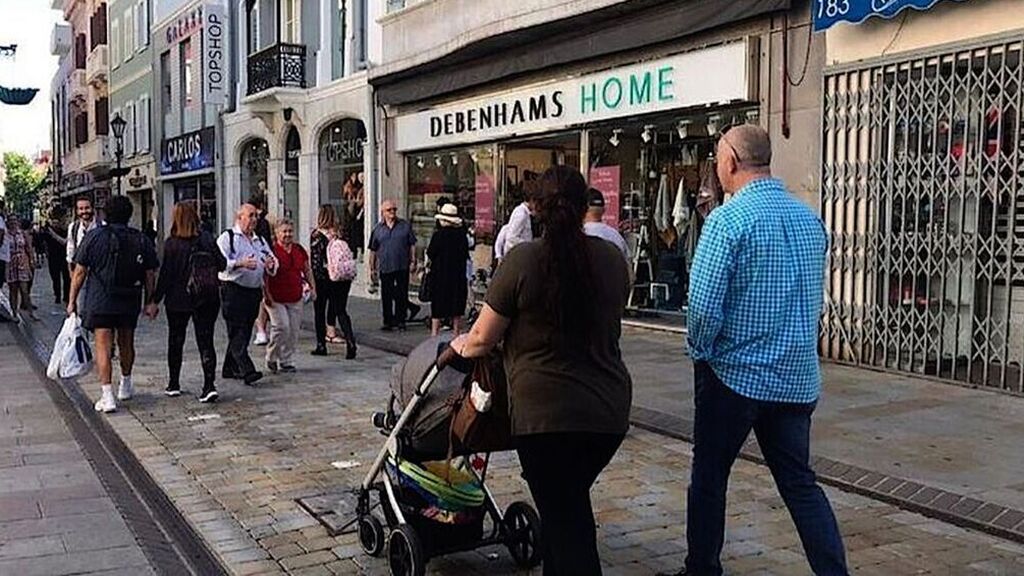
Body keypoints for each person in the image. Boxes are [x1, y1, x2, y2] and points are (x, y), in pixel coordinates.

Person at [657, 125, 847, 576]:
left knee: (709, 479)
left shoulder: (726, 221)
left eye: (718, 159)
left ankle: (702, 568)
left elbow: (703, 309)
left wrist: (700, 352)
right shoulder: (809, 219)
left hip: (734, 376)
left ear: (731, 162)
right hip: (795, 377)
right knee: (800, 483)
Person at [443, 165, 632, 576]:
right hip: (606, 412)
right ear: (586, 207)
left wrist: (456, 346)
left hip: (544, 416)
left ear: (536, 209)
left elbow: (481, 338)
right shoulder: (613, 259)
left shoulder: (523, 261)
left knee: (566, 519)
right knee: (569, 506)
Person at [67, 196, 159, 414]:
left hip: (101, 298)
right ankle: (125, 384)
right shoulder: (140, 238)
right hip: (129, 297)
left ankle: (107, 395)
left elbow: (79, 271)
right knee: (126, 341)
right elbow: (150, 273)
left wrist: (72, 301)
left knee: (103, 345)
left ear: (105, 213)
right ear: (129, 214)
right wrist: (150, 300)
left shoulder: (94, 236)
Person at [153, 202, 226, 402]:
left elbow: (165, 275)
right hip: (206, 296)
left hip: (178, 298)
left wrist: (154, 300)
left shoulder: (172, 243)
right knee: (206, 340)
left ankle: (174, 383)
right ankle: (209, 385)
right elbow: (223, 263)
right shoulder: (207, 239)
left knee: (176, 340)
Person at [218, 203, 278, 386]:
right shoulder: (228, 237)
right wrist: (240, 263)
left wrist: (270, 265)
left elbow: (272, 259)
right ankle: (247, 370)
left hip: (253, 291)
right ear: (240, 217)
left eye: (256, 216)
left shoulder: (259, 239)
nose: (254, 220)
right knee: (237, 331)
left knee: (243, 330)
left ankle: (229, 368)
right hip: (233, 289)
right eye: (250, 216)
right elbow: (220, 261)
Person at [264, 218, 314, 373]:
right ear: (277, 234)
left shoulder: (299, 249)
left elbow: (307, 270)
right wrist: (266, 295)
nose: (287, 234)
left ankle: (286, 360)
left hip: (295, 296)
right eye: (284, 231)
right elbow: (265, 275)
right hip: (276, 297)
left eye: (290, 231)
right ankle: (271, 356)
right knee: (281, 326)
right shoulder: (271, 251)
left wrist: (313, 287)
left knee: (293, 330)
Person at [310, 205, 357, 359]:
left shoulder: (317, 236)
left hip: (323, 278)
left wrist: (313, 281)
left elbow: (316, 261)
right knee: (341, 310)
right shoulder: (341, 233)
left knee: (319, 311)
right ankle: (350, 341)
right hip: (341, 278)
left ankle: (321, 344)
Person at [368, 199, 419, 331]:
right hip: (385, 266)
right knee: (387, 295)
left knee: (402, 294)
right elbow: (373, 250)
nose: (392, 212)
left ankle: (400, 320)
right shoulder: (378, 229)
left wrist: (413, 261)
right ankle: (388, 321)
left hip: (402, 265)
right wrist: (372, 268)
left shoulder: (404, 226)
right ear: (383, 212)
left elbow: (412, 244)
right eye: (389, 210)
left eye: (394, 210)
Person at [426, 204, 470, 336]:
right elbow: (465, 254)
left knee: (438, 307)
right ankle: (456, 333)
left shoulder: (438, 236)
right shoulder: (462, 236)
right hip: (457, 276)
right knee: (456, 307)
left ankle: (434, 334)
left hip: (440, 276)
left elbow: (431, 253)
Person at [249, 193, 274, 346]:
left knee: (262, 298)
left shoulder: (261, 223)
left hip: (257, 264)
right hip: (261, 264)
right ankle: (261, 329)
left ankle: (260, 329)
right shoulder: (263, 222)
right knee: (263, 298)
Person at [6, 216, 37, 322]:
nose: (13, 223)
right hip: (10, 263)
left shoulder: (22, 234)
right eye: (11, 221)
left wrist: (31, 261)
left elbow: (28, 248)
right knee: (13, 290)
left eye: (15, 220)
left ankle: (30, 313)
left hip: (22, 262)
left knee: (25, 289)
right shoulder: (5, 234)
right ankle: (14, 313)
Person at [583, 188, 629, 261]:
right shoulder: (616, 237)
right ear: (604, 210)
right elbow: (627, 267)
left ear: (583, 209)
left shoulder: (579, 236)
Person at [66, 196, 100, 273]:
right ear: (77, 211)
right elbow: (70, 250)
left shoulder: (102, 226)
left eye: (87, 208)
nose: (84, 211)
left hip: (98, 273)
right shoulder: (73, 227)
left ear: (92, 208)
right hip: (80, 271)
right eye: (81, 209)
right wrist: (71, 273)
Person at [44, 210, 71, 304]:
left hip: (64, 257)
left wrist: (53, 234)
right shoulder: (47, 232)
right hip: (53, 257)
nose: (55, 223)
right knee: (55, 278)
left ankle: (66, 296)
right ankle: (57, 295)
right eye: (53, 222)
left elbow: (65, 242)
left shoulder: (66, 231)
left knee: (66, 278)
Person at [344, 172, 366, 259]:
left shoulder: (361, 189)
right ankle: (356, 251)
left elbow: (360, 202)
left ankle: (359, 251)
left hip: (359, 214)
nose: (360, 179)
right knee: (354, 232)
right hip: (354, 214)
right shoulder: (353, 188)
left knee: (358, 232)